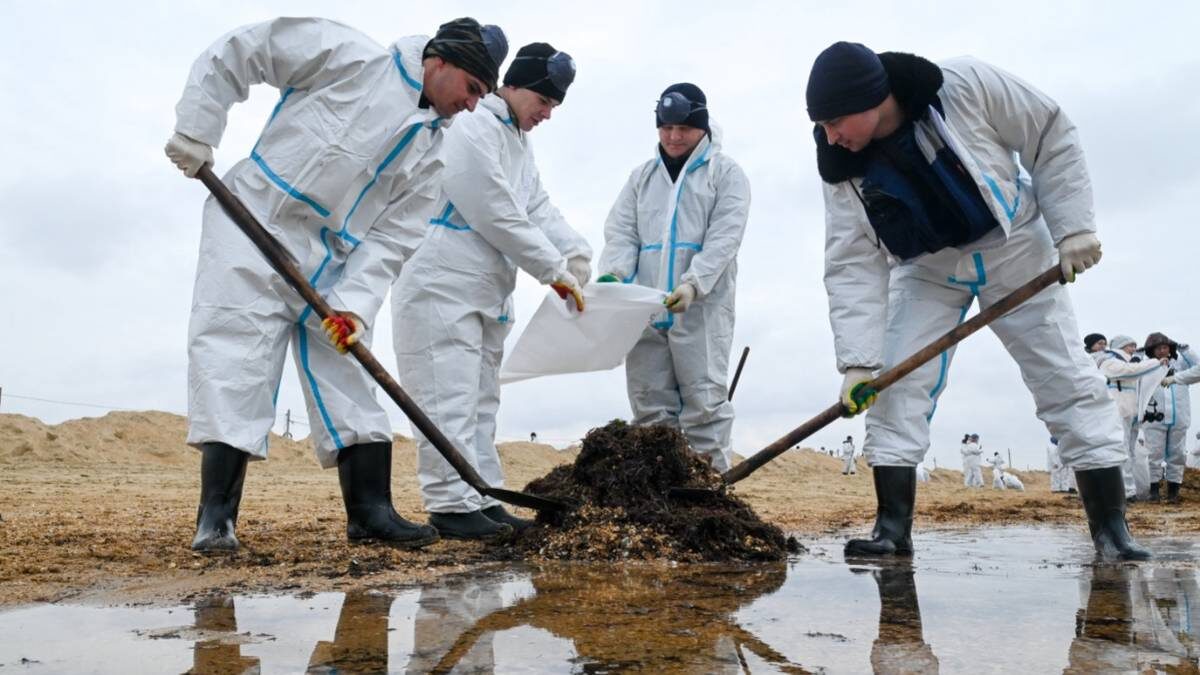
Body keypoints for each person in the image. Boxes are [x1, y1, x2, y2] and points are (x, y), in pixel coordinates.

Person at [165, 17, 508, 552]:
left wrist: (354, 307)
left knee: (349, 376)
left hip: (333, 262)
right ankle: (216, 519)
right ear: (438, 61)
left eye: (482, 95)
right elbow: (243, 50)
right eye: (472, 88)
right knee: (235, 360)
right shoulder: (350, 56)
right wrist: (197, 128)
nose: (471, 105)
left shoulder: (433, 153)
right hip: (254, 220)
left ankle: (370, 513)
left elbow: (394, 237)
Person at [806, 42, 1148, 559]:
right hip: (926, 269)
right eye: (821, 125)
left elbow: (1050, 133)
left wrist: (1073, 228)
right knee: (894, 384)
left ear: (871, 97)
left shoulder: (964, 85)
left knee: (1065, 379)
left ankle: (1111, 531)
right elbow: (852, 262)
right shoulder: (841, 166)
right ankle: (891, 531)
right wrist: (858, 363)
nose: (829, 136)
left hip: (1015, 249)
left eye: (834, 121)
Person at [393, 43, 590, 540]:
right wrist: (552, 269)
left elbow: (536, 207)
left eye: (555, 106)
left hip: (485, 289)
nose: (548, 114)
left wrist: (576, 255)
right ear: (515, 85)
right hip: (442, 283)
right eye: (544, 101)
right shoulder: (473, 124)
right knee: (447, 398)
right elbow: (492, 206)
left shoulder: (516, 141)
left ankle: (482, 495)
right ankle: (449, 503)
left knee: (481, 403)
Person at [596, 83, 751, 473]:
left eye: (684, 128)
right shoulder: (642, 178)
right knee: (650, 407)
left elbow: (724, 238)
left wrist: (693, 283)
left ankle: (710, 490)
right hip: (646, 310)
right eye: (666, 127)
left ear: (702, 126)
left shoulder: (725, 174)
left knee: (704, 405)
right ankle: (660, 491)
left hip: (700, 311)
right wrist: (614, 274)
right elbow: (622, 232)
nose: (674, 137)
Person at [1089, 333, 1168, 500]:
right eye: (1130, 345)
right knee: (1121, 450)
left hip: (1131, 413)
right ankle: (1124, 491)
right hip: (1118, 412)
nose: (1134, 349)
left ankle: (1129, 490)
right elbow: (1130, 371)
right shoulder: (1107, 362)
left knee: (1130, 452)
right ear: (1120, 346)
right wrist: (1155, 362)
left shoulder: (1128, 362)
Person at [1141, 333, 1200, 503]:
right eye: (1158, 348)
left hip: (1178, 416)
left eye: (1165, 347)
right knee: (1153, 455)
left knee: (1178, 455)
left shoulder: (1180, 364)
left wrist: (1186, 350)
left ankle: (1173, 493)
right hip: (1154, 418)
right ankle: (1154, 491)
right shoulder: (1146, 366)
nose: (1162, 350)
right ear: (1151, 350)